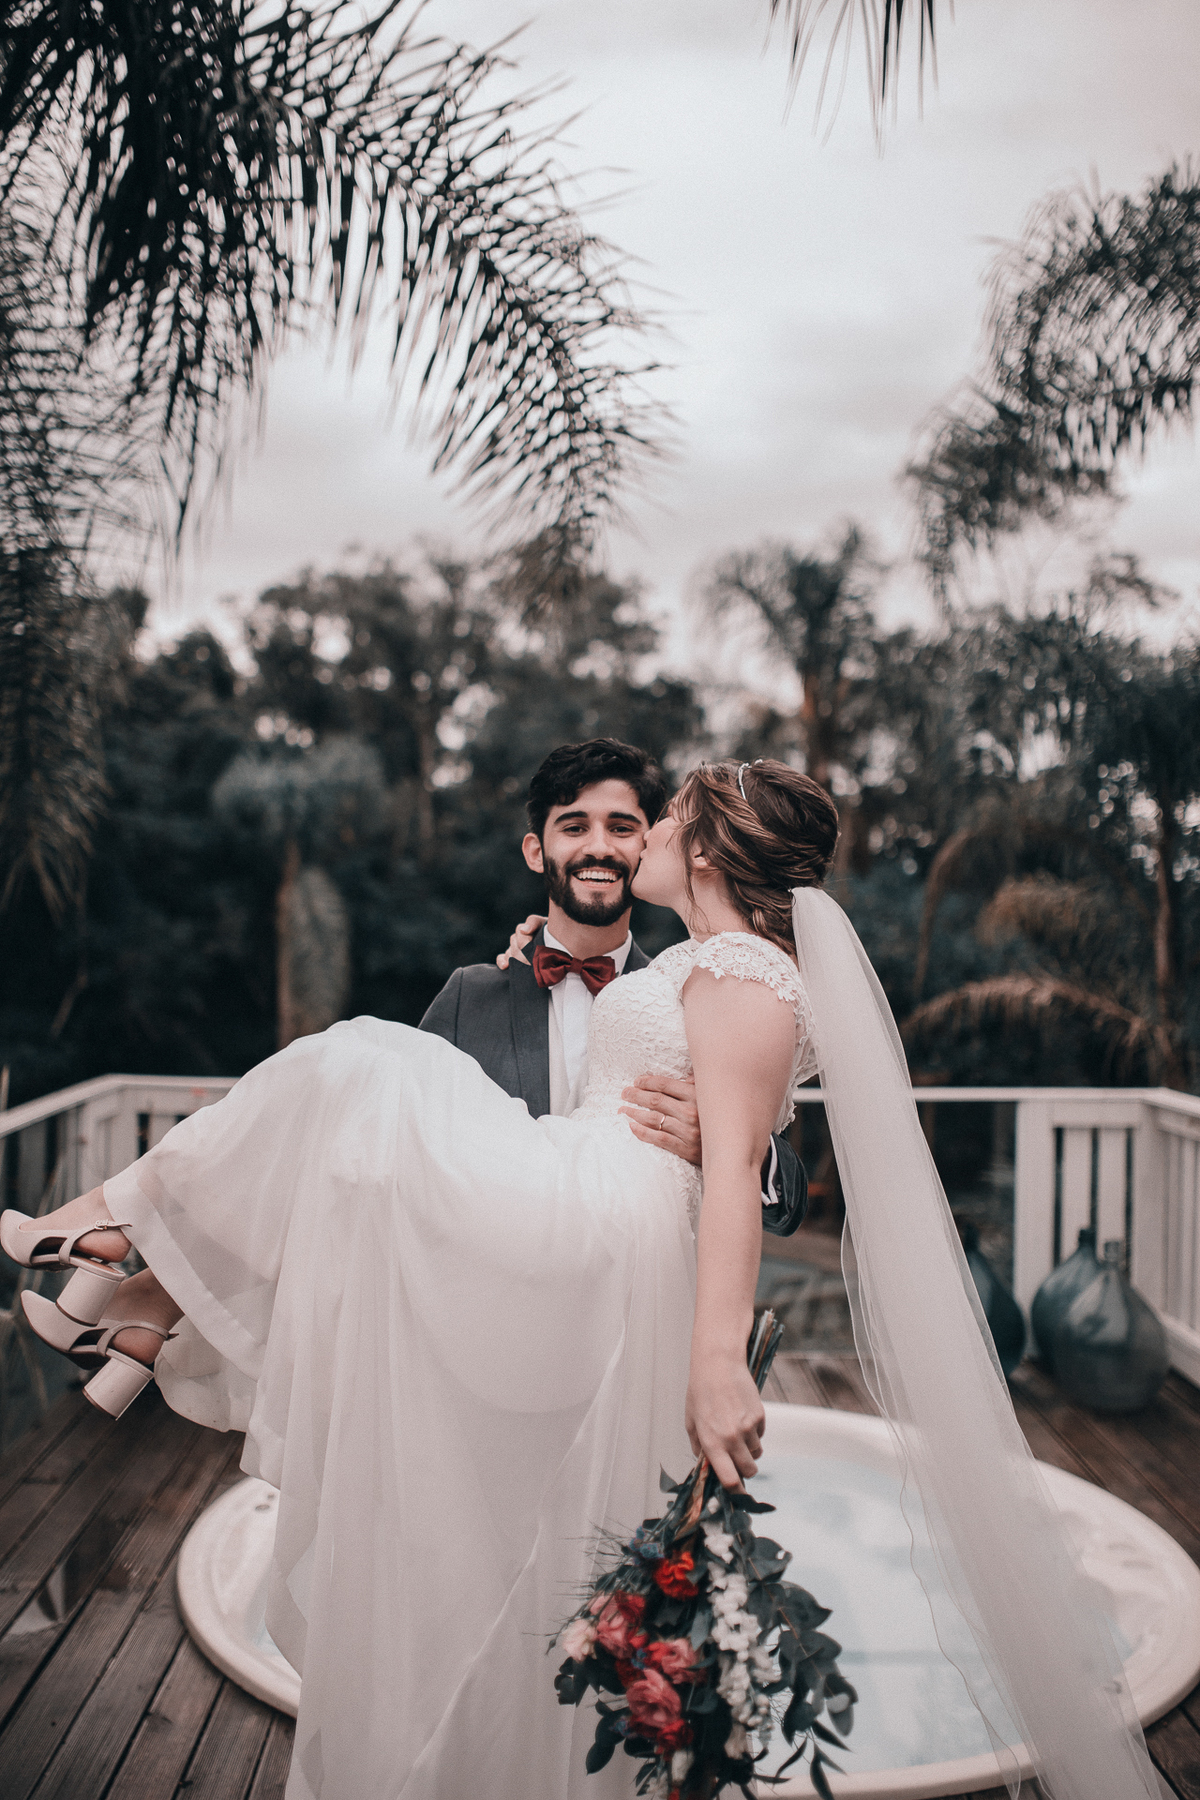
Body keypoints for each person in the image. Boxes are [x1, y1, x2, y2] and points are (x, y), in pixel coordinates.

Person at [2, 761, 1158, 1800]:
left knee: (353, 1061)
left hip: (596, 1232)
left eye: (658, 819)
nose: (640, 835)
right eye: (598, 823)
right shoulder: (665, 969)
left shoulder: (748, 976)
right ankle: (139, 1297)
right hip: (558, 1222)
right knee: (352, 1097)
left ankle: (112, 1240)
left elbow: (747, 1166)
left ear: (701, 848)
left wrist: (716, 1360)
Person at [418, 737, 807, 1231]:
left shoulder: (702, 988)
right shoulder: (467, 997)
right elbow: (408, 1152)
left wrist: (724, 1145)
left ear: (650, 845)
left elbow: (787, 1203)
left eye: (622, 828)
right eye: (574, 826)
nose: (599, 847)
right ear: (537, 851)